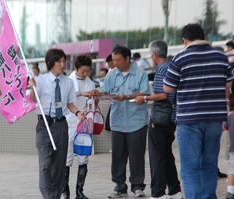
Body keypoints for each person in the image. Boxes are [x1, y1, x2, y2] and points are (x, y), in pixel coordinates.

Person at [163, 23, 234, 199]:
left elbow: (167, 88)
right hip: (214, 119)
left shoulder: (180, 57)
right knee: (210, 163)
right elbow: (228, 83)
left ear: (184, 40)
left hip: (189, 120)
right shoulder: (220, 56)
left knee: (190, 166)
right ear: (203, 37)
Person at [92, 45, 151, 198]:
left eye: (118, 60)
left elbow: (145, 93)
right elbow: (106, 90)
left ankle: (137, 186)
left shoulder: (140, 73)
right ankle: (119, 186)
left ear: (127, 58)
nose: (115, 63)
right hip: (117, 121)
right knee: (118, 155)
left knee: (136, 155)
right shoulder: (111, 74)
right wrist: (98, 93)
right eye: (113, 60)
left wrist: (127, 96)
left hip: (136, 122)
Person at [28, 48, 86, 199]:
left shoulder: (67, 82)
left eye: (63, 61)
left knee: (59, 165)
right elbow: (32, 101)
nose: (62, 64)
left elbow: (70, 104)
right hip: (44, 125)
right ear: (49, 63)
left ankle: (55, 195)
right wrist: (32, 88)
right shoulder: (40, 80)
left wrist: (78, 113)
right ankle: (48, 196)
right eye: (59, 61)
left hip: (61, 125)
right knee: (45, 164)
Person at [134, 40, 182, 199]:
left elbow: (163, 95)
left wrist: (145, 98)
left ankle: (158, 193)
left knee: (157, 157)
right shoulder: (174, 67)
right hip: (172, 119)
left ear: (154, 54)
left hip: (159, 118)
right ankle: (175, 190)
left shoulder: (161, 69)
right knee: (167, 155)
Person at [61, 54, 95, 199]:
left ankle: (79, 192)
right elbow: (66, 100)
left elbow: (92, 104)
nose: (86, 74)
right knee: (68, 158)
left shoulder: (90, 82)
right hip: (70, 122)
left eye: (88, 71)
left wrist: (95, 97)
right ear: (75, 68)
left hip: (85, 123)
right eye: (83, 71)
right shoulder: (68, 81)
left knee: (83, 157)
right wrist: (81, 94)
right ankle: (64, 191)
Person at [223, 111, 234, 199]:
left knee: (232, 170)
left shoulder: (231, 114)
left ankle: (230, 192)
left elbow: (224, 127)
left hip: (233, 148)